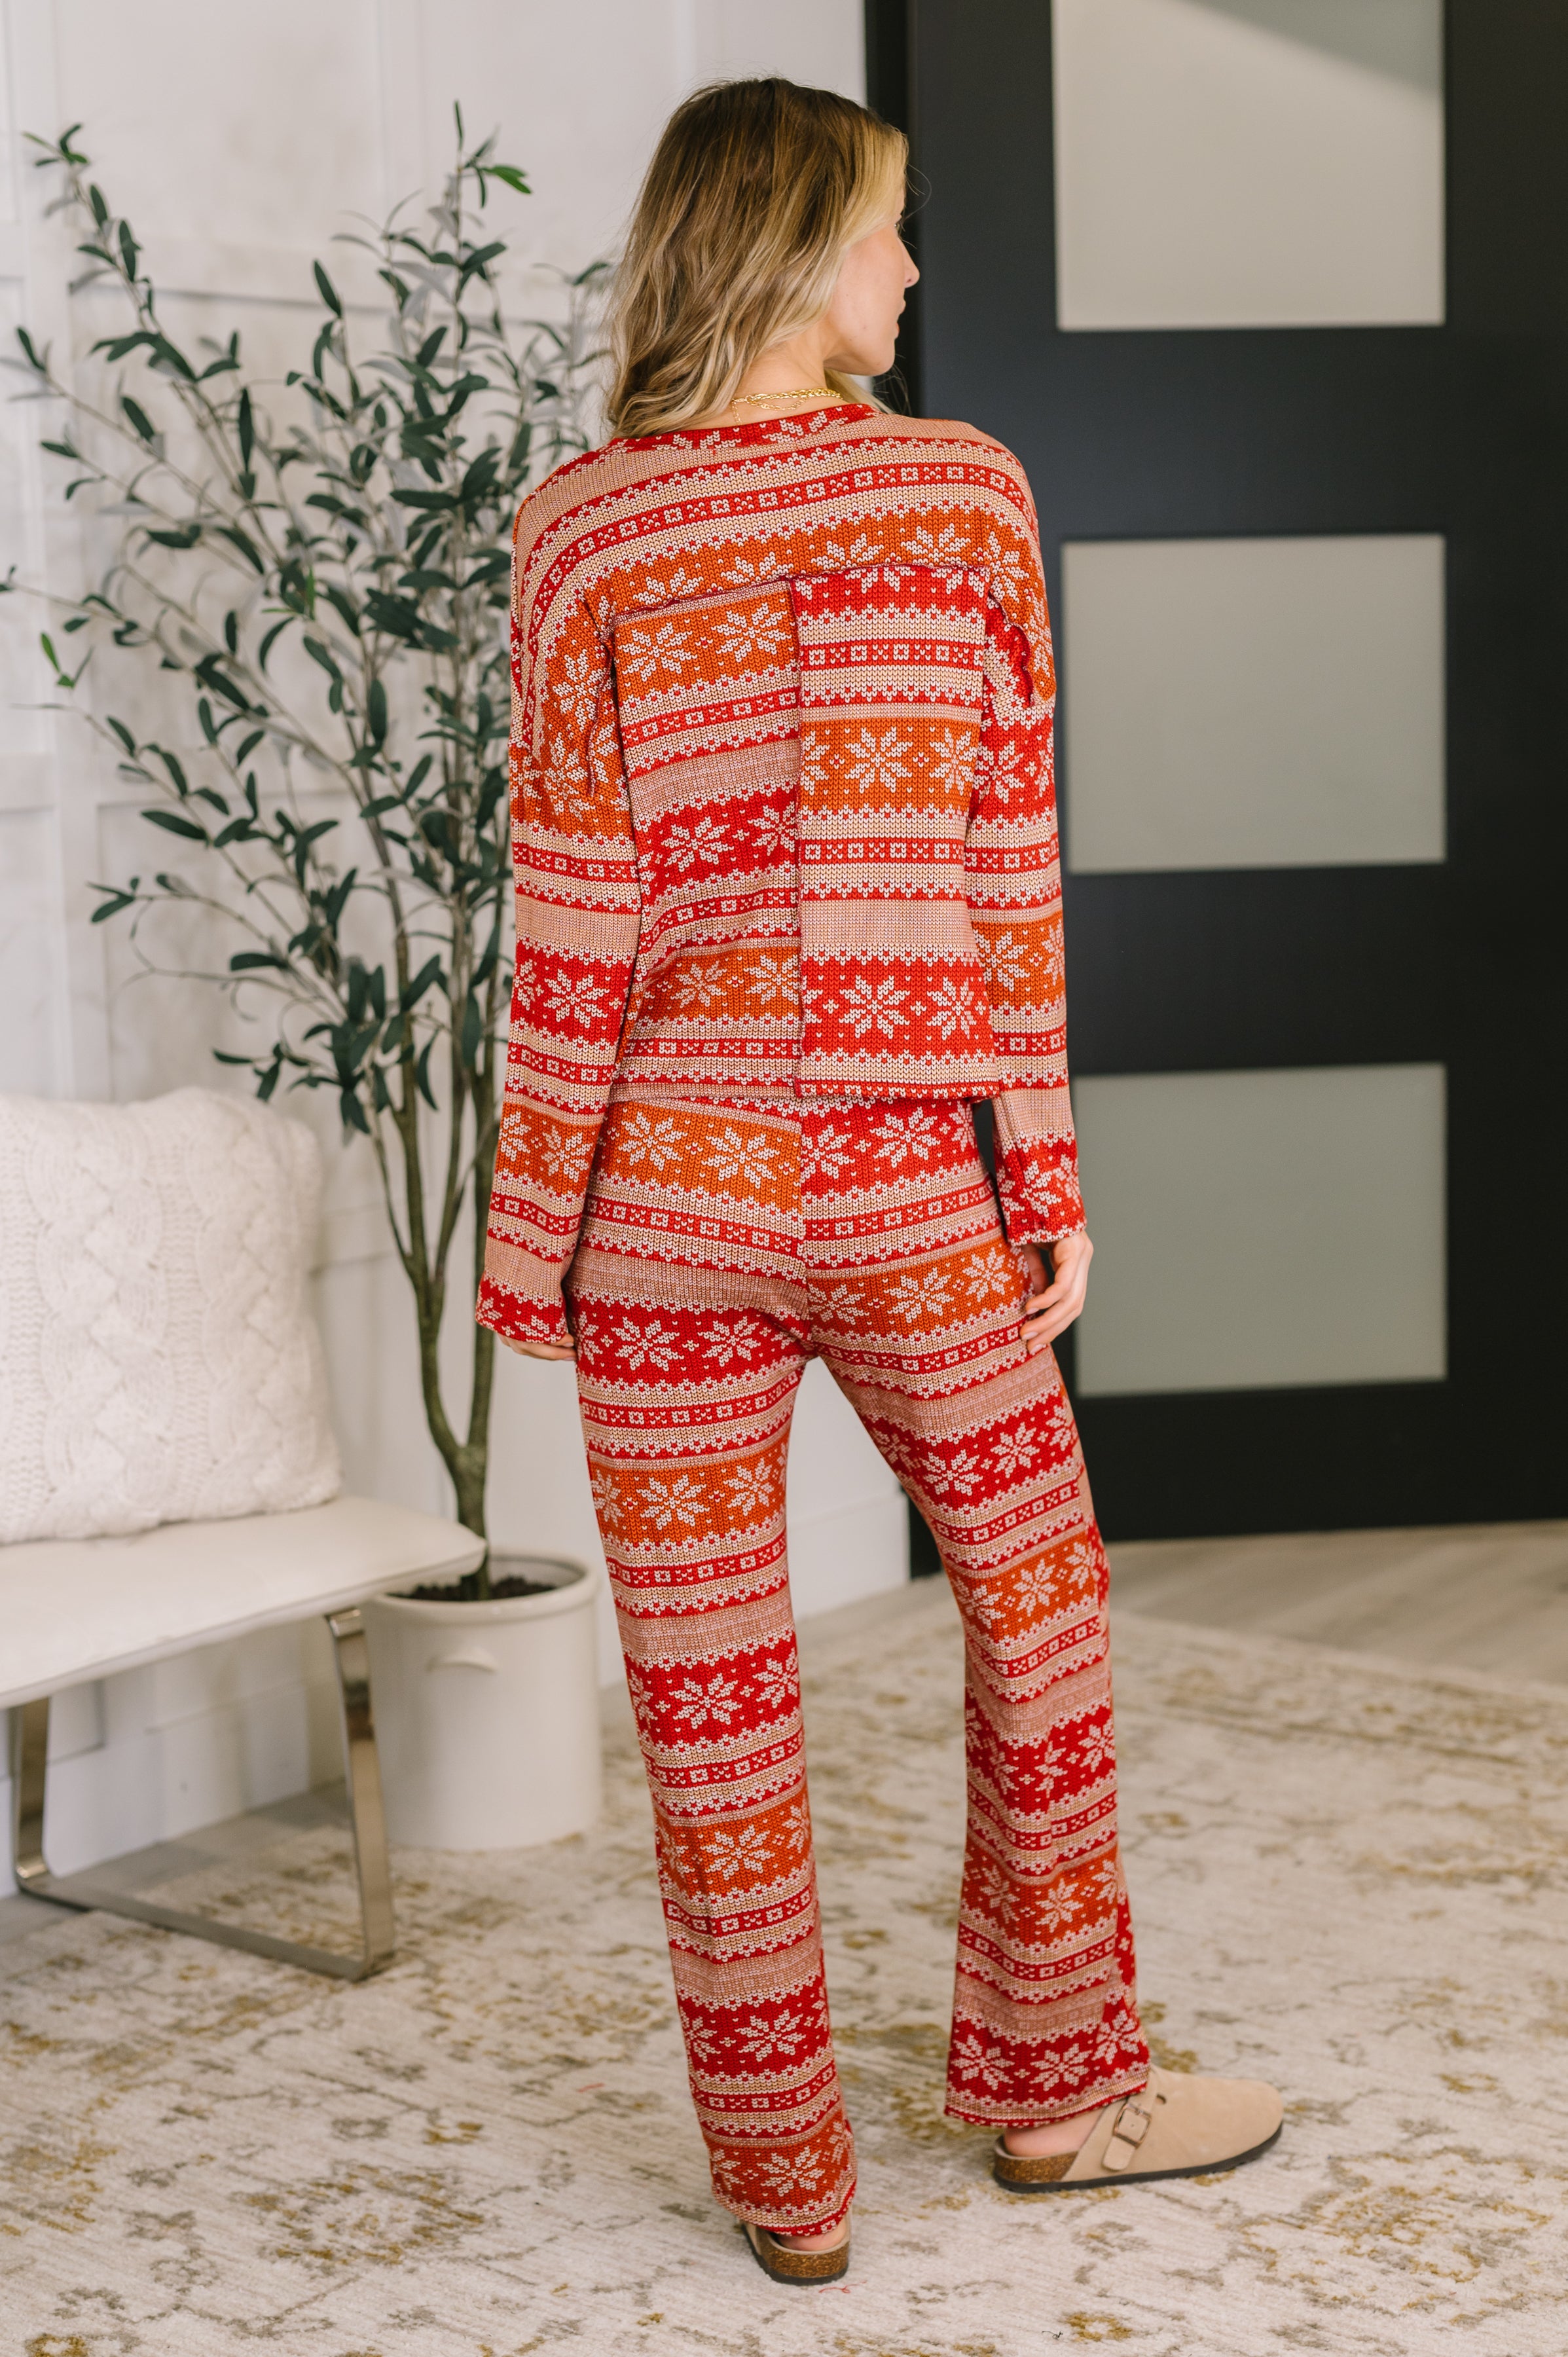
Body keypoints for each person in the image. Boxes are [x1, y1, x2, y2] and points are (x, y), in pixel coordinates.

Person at [475, 76, 1282, 2286]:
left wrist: (527, 1242)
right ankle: (1059, 2095)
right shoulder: (959, 493)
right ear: (788, 239)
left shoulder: (581, 529)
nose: (911, 274)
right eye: (886, 230)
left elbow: (570, 913)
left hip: (661, 1194)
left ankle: (787, 2190)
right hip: (908, 1178)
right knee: (1041, 1622)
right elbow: (1002, 863)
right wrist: (1042, 1168)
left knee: (710, 1703)